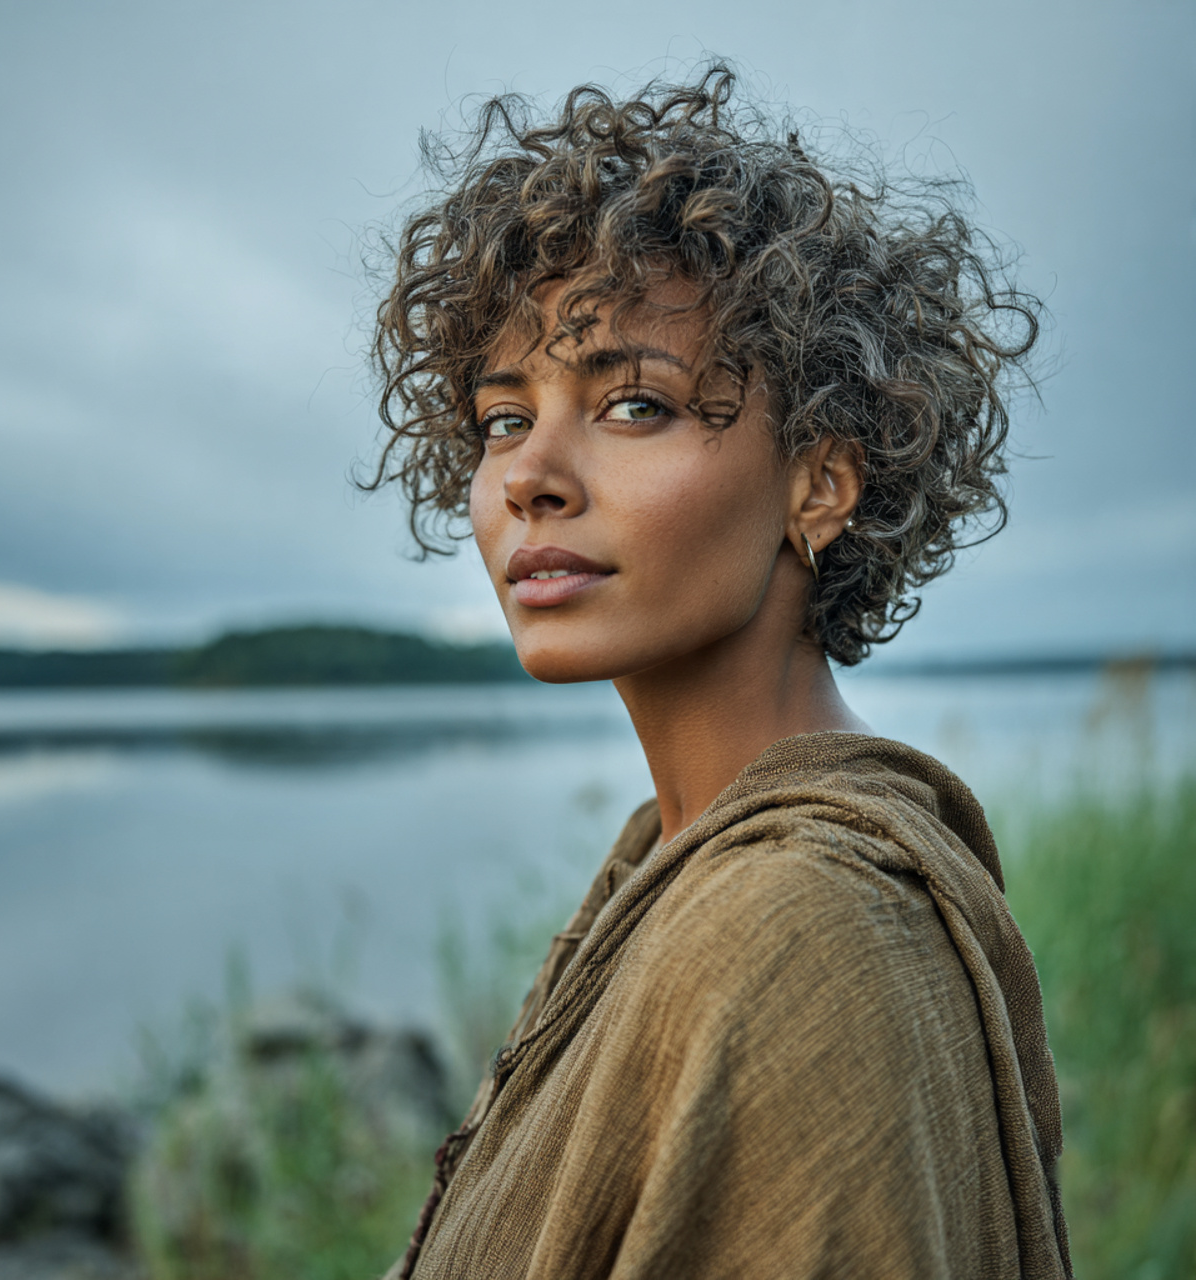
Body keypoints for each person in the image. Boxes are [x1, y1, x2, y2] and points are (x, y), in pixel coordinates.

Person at [367, 65, 1071, 1279]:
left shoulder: (801, 921)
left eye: (632, 403)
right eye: (499, 416)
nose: (530, 473)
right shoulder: (664, 855)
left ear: (820, 481)